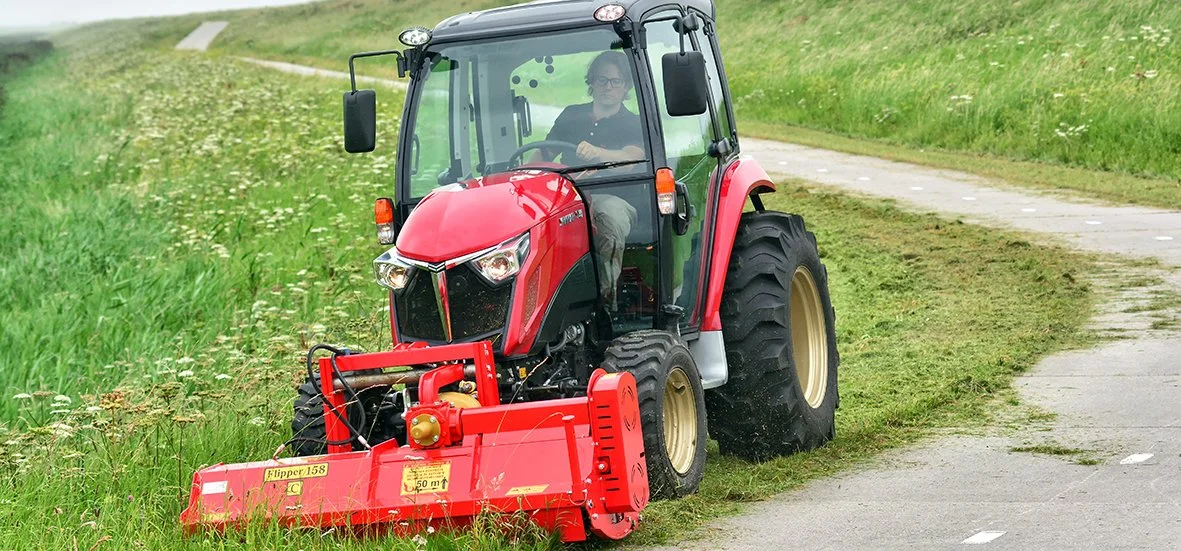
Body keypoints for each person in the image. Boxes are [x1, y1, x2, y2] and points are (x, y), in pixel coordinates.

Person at [541, 51, 646, 310]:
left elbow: (632, 159)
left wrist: (597, 153)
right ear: (592, 83)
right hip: (565, 195)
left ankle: (605, 303)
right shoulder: (570, 115)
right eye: (602, 80)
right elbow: (542, 153)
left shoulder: (633, 123)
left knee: (608, 223)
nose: (608, 86)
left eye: (616, 81)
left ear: (626, 87)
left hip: (612, 197)